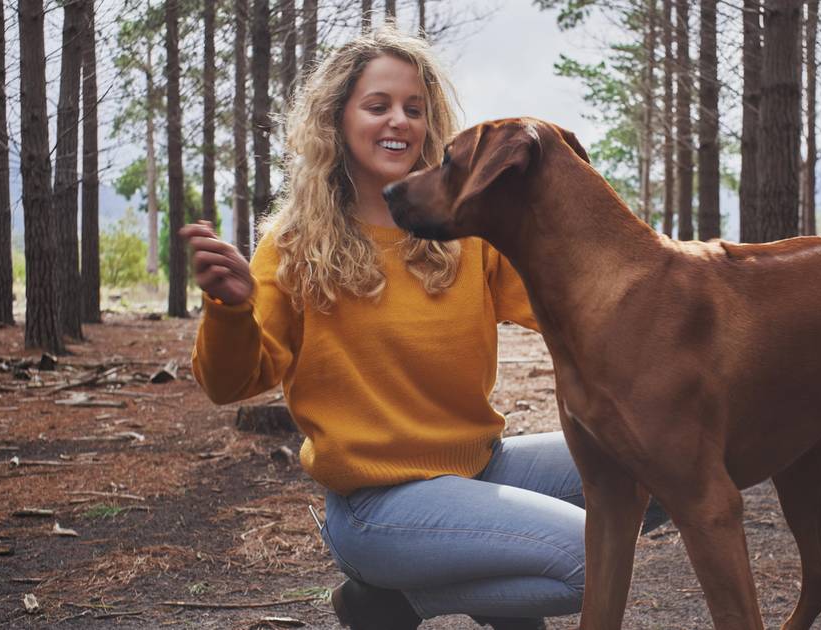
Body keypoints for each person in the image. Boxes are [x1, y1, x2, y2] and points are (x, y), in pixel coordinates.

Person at [184, 26, 665, 630]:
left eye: (415, 108)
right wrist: (229, 308)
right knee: (590, 561)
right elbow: (233, 383)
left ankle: (431, 591)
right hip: (378, 506)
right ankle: (390, 600)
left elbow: (572, 305)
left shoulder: (467, 234)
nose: (400, 122)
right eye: (378, 105)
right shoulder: (294, 244)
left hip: (482, 467)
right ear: (337, 118)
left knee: (664, 462)